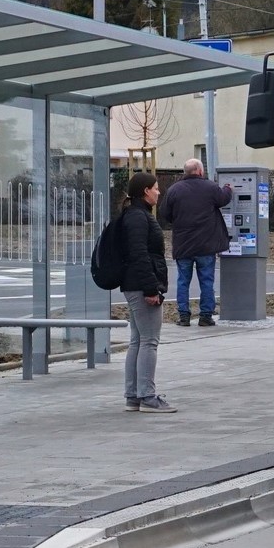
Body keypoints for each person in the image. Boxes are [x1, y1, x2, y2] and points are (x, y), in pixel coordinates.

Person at [120, 170, 176, 413]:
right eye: (155, 188)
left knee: (138, 340)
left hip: (134, 285)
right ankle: (147, 396)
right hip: (142, 287)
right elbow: (141, 256)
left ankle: (133, 395)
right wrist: (151, 289)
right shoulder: (138, 218)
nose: (159, 191)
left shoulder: (133, 216)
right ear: (145, 191)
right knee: (149, 341)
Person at [159, 158, 233, 326]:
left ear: (185, 172)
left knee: (183, 281)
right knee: (206, 280)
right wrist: (228, 189)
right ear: (200, 171)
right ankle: (206, 316)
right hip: (206, 245)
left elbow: (165, 213)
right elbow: (223, 199)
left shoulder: (174, 190)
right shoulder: (210, 187)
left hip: (183, 245)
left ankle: (184, 316)